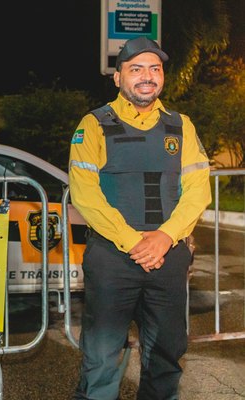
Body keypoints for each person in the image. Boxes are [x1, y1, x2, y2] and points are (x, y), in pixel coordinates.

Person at [68, 36, 211, 399]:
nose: (146, 76)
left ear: (162, 76)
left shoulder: (182, 126)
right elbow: (86, 194)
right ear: (118, 78)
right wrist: (134, 242)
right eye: (136, 69)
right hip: (113, 257)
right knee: (102, 356)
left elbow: (197, 190)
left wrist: (164, 238)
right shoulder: (94, 124)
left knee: (167, 353)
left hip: (169, 254)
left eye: (154, 68)